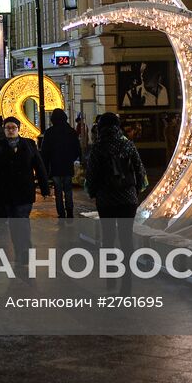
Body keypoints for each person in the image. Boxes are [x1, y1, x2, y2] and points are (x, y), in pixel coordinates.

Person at [84, 112, 148, 295]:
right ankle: (127, 282)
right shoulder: (128, 144)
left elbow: (91, 176)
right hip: (127, 200)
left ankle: (111, 278)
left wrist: (93, 192)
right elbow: (140, 171)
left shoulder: (98, 147)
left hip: (106, 200)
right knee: (126, 238)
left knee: (108, 238)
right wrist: (134, 191)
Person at [0, 116, 49, 267]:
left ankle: (25, 250)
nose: (10, 130)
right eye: (7, 128)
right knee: (14, 223)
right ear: (4, 129)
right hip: (7, 191)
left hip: (24, 190)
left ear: (18, 129)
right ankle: (19, 249)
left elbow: (39, 166)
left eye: (13, 127)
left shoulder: (28, 144)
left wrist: (44, 187)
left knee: (21, 219)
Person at [40, 109, 82, 218]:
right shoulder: (71, 131)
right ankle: (70, 211)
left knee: (58, 191)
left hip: (55, 166)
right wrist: (72, 158)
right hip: (67, 165)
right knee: (68, 189)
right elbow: (77, 149)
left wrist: (45, 166)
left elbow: (45, 152)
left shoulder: (49, 133)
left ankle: (61, 212)